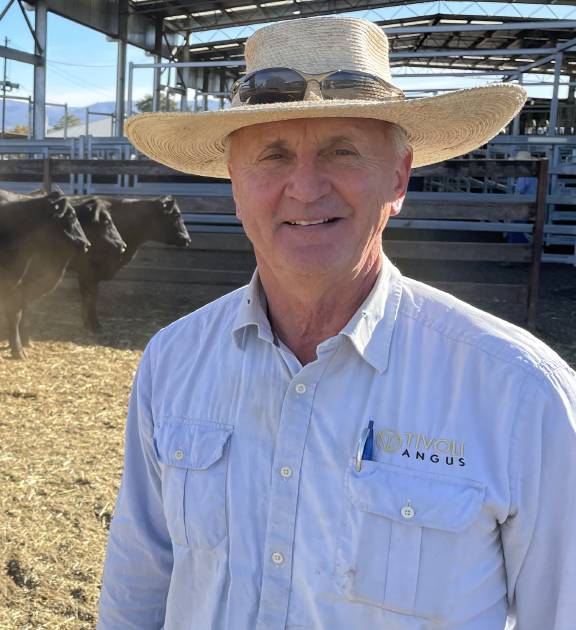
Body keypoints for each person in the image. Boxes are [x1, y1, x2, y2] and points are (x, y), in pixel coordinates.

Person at [98, 15, 575, 629]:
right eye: (272, 155)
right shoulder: (173, 361)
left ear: (398, 178)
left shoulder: (521, 394)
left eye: (341, 151)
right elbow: (140, 583)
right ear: (235, 185)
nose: (304, 187)